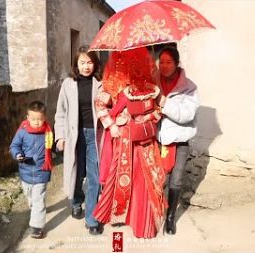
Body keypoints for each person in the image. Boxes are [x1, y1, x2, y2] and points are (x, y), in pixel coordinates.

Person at [93, 47, 166, 239]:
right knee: (125, 176)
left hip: (143, 138)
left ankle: (143, 222)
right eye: (125, 60)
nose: (129, 63)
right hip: (123, 138)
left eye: (135, 59)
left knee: (144, 178)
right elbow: (99, 104)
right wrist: (111, 125)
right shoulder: (114, 81)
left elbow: (159, 107)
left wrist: (147, 118)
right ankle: (123, 216)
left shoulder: (149, 82)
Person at [54, 45, 103, 235]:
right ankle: (75, 201)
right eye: (82, 62)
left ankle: (92, 219)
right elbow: (60, 112)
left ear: (95, 64)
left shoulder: (101, 83)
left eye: (90, 62)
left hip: (94, 135)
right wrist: (60, 136)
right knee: (77, 171)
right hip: (74, 135)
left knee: (94, 176)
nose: (86, 66)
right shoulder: (68, 84)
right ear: (76, 64)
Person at [157, 46, 199, 235]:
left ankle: (171, 217)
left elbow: (187, 115)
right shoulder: (153, 82)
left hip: (180, 140)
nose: (164, 66)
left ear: (177, 64)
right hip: (158, 140)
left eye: (168, 62)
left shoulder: (189, 87)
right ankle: (156, 212)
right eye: (161, 62)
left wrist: (165, 103)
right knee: (158, 179)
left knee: (176, 179)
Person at [9, 101, 54, 239]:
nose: (36, 122)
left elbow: (54, 146)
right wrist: (17, 154)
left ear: (44, 118)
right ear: (27, 117)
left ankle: (37, 227)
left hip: (42, 171)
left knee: (38, 199)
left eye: (39, 119)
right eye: (33, 119)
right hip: (26, 171)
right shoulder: (22, 132)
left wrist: (59, 147)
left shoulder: (48, 132)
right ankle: (33, 206)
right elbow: (14, 145)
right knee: (30, 196)